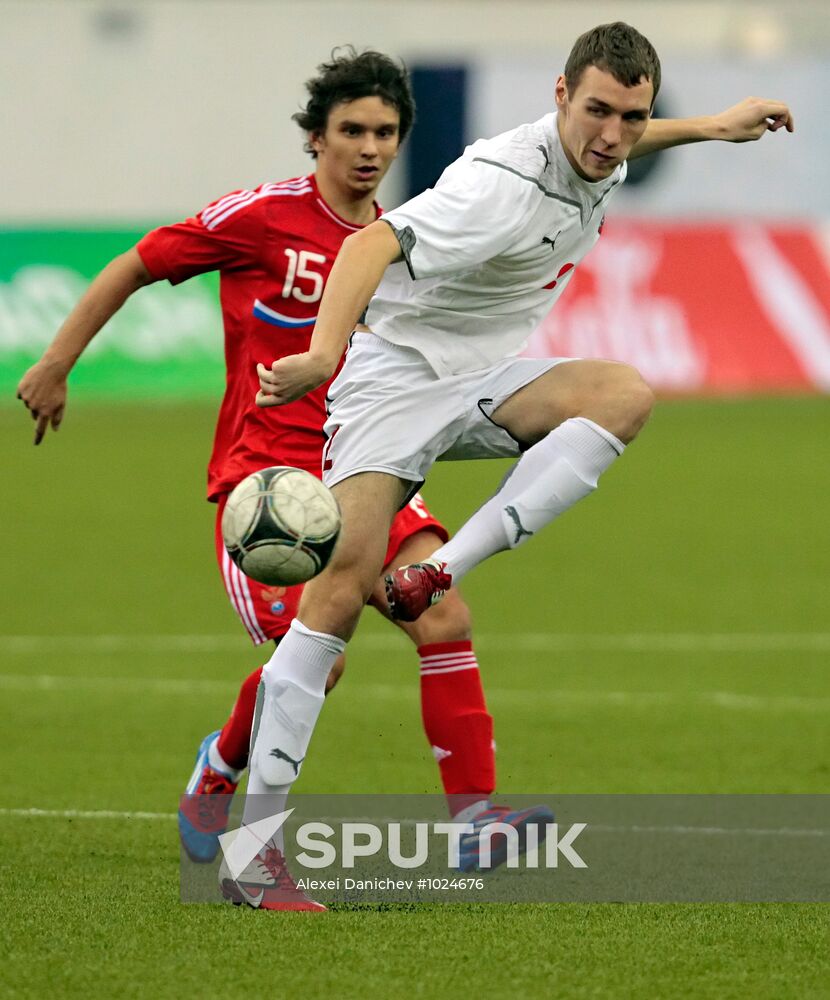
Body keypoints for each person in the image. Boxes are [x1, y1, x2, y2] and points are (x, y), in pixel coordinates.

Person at [245, 22, 794, 908]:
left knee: (622, 394)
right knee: (338, 593)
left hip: (479, 379)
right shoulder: (497, 189)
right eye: (597, 112)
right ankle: (252, 852)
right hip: (393, 382)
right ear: (558, 96)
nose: (612, 135)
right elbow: (366, 246)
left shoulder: (605, 147)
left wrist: (713, 124)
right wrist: (320, 353)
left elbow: (624, 141)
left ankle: (439, 572)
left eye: (632, 116)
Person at [17, 49, 552, 912]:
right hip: (269, 492)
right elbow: (134, 265)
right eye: (351, 130)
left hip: (370, 467)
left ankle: (475, 819)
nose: (369, 147)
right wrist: (57, 362)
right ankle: (227, 778)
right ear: (317, 138)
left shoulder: (407, 237)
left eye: (385, 132)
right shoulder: (262, 217)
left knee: (442, 608)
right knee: (321, 663)